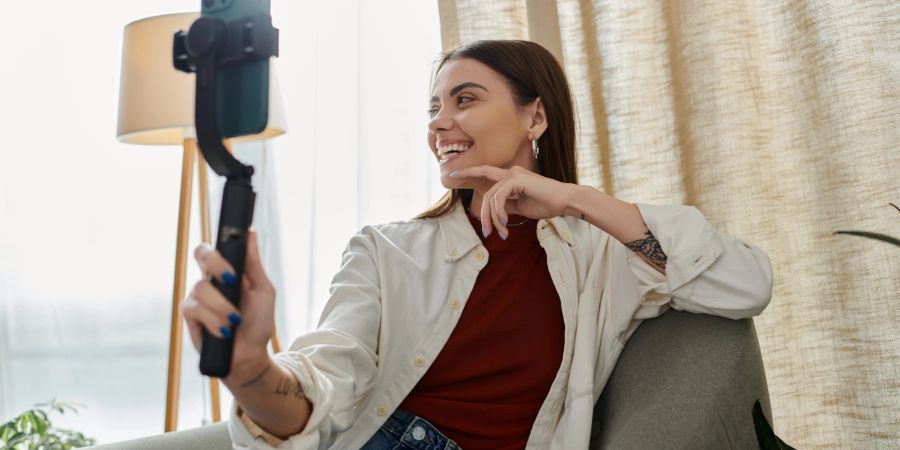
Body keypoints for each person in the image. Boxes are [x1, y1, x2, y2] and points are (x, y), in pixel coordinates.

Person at [181, 39, 774, 449]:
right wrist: (251, 370)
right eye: (434, 108)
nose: (438, 123)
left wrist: (576, 199)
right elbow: (328, 385)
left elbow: (744, 284)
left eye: (464, 100)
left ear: (535, 118)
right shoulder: (385, 252)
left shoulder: (599, 251)